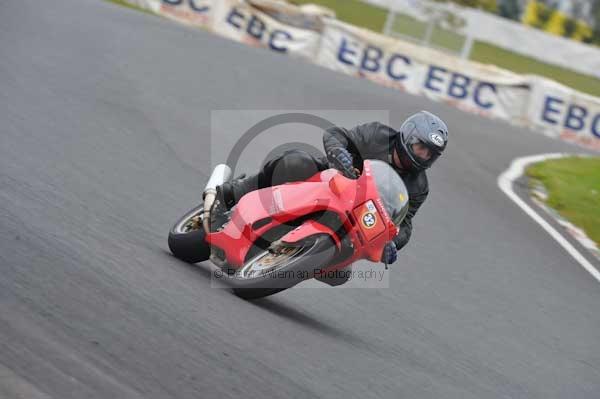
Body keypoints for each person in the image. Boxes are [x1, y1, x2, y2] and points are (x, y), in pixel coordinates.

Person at [210, 110, 448, 284]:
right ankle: (229, 194)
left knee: (340, 274)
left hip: (354, 220)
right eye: (421, 147)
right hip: (329, 182)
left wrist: (392, 243)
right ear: (409, 136)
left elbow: (404, 223)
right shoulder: (377, 134)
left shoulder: (419, 187)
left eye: (431, 154)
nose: (424, 156)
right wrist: (339, 153)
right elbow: (337, 135)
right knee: (295, 162)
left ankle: (290, 261)